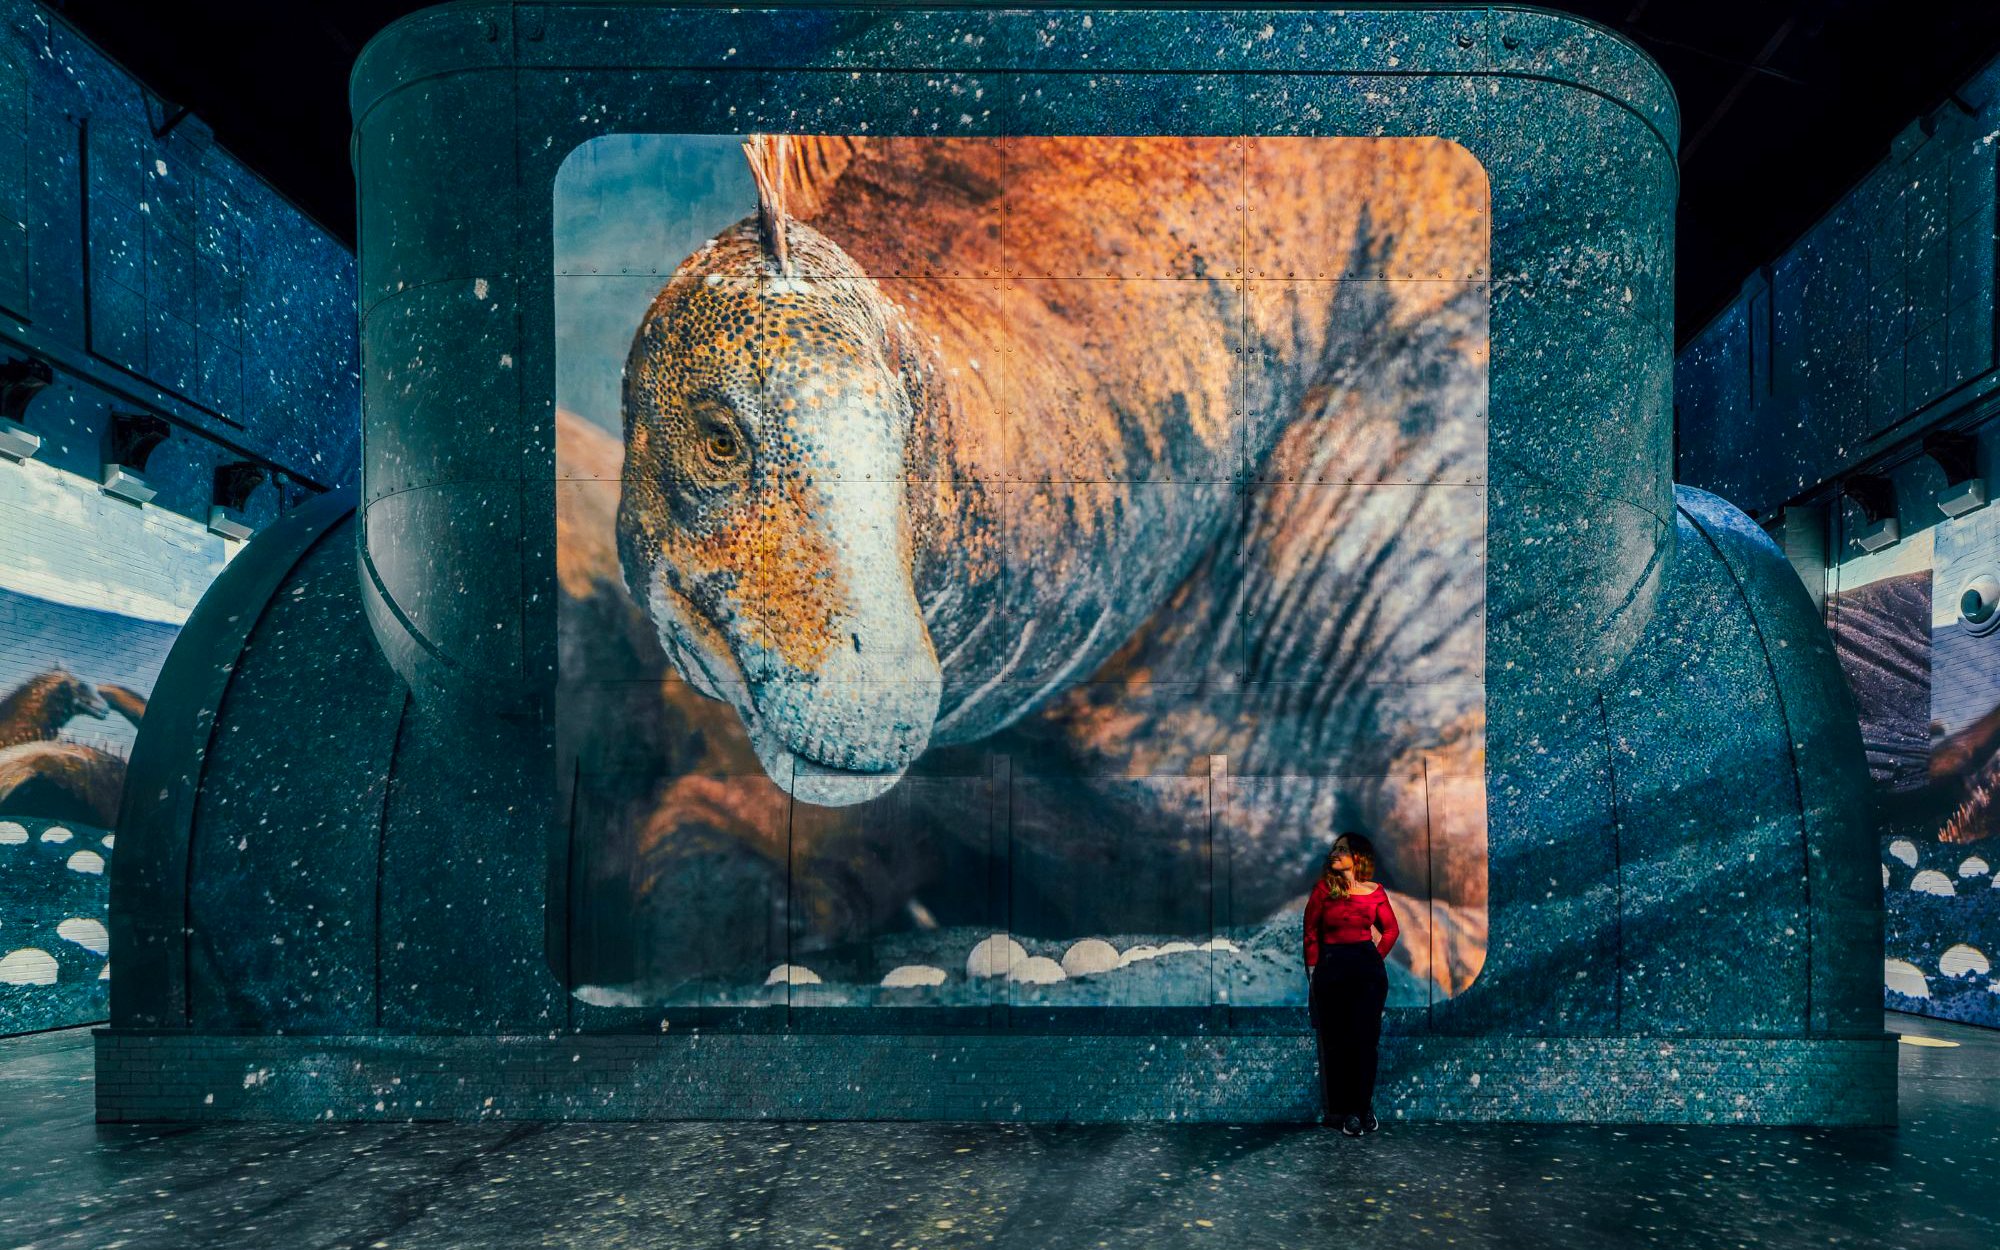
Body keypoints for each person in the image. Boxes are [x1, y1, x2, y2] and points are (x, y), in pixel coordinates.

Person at [1303, 831, 1399, 1135]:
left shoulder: (1376, 891)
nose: (1334, 853)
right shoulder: (1323, 890)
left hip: (1367, 973)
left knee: (1366, 1042)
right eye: (1334, 849)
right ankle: (1346, 1113)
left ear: (1357, 857)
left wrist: (1372, 960)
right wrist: (1313, 971)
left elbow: (1391, 930)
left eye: (1341, 849)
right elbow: (1310, 932)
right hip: (1332, 970)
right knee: (1337, 1043)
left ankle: (1363, 1107)